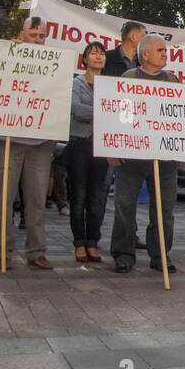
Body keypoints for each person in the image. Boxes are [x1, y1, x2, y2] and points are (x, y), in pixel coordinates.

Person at [110, 35, 181, 274]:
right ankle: (123, 254)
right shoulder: (128, 79)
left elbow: (180, 117)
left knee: (164, 209)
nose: (165, 53)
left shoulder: (172, 80)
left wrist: (183, 149)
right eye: (160, 50)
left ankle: (160, 254)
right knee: (124, 206)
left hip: (165, 157)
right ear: (145, 54)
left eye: (165, 50)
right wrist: (114, 149)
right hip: (131, 155)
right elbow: (119, 117)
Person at [0, 15, 58, 269]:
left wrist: (55, 128)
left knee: (36, 199)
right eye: (33, 35)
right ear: (22, 35)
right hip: (7, 137)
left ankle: (36, 251)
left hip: (41, 141)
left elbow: (59, 97)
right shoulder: (5, 56)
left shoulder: (54, 63)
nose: (38, 40)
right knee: (4, 198)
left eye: (41, 36)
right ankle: (2, 251)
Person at [68, 40, 110, 262]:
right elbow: (75, 109)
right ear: (84, 59)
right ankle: (79, 243)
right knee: (79, 196)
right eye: (93, 53)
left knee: (96, 197)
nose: (98, 56)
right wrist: (103, 111)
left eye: (101, 53)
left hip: (101, 145)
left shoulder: (110, 84)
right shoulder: (77, 82)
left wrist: (98, 112)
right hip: (79, 145)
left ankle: (93, 242)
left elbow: (118, 110)